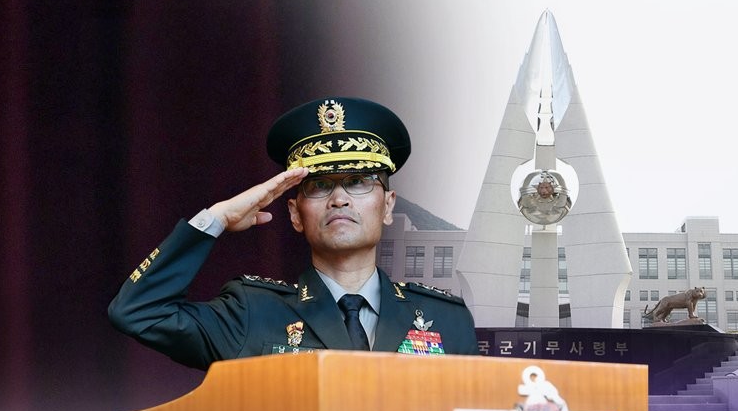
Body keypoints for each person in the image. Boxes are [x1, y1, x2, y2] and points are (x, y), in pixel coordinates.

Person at [108, 97, 479, 370]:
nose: (339, 199)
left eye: (357, 182)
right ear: (295, 214)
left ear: (387, 206)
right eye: (319, 186)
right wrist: (218, 217)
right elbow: (137, 312)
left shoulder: (446, 319)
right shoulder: (252, 313)